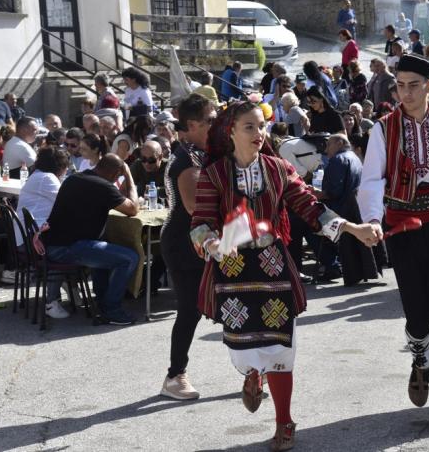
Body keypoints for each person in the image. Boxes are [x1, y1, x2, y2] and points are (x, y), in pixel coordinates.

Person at [190, 101, 377, 451]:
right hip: (232, 272)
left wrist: (352, 228)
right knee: (244, 347)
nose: (259, 134)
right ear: (230, 131)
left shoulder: (279, 169)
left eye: (261, 126)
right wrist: (215, 245)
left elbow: (310, 205)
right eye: (249, 127)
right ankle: (251, 375)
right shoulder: (213, 174)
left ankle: (284, 422)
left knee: (280, 346)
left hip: (273, 264)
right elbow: (199, 223)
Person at [358, 54, 429, 434]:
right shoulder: (382, 129)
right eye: (399, 85)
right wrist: (372, 220)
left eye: (413, 85)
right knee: (417, 318)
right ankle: (420, 359)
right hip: (403, 228)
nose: (405, 93)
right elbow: (372, 180)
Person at [159, 93, 215, 400]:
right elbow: (196, 206)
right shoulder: (186, 159)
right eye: (210, 120)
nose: (215, 124)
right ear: (192, 125)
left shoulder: (205, 152)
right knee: (190, 310)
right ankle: (175, 375)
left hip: (206, 241)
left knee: (233, 301)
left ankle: (252, 368)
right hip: (184, 243)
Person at [42, 154, 140, 325]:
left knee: (104, 250)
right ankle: (112, 310)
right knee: (130, 258)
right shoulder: (102, 186)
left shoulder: (74, 178)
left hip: (54, 244)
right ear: (114, 173)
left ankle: (102, 301)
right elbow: (132, 209)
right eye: (118, 176)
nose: (117, 180)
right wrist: (129, 176)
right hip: (68, 248)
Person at [14, 146, 71, 318]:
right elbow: (68, 202)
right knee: (65, 251)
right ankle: (52, 301)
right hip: (32, 243)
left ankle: (69, 286)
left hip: (24, 239)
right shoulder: (47, 179)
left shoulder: (37, 176)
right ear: (61, 166)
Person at [316, 133, 378, 286]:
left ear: (339, 143)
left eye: (329, 145)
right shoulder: (355, 157)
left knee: (321, 233)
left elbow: (333, 191)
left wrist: (316, 193)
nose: (327, 150)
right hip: (354, 205)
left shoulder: (338, 160)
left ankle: (331, 267)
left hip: (341, 208)